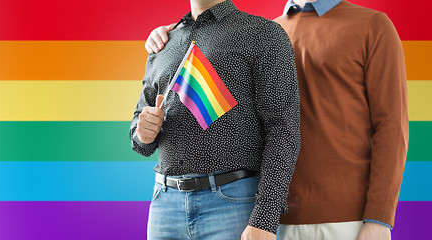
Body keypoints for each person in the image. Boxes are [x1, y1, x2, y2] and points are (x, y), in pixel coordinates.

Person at [145, 0, 409, 239]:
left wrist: (379, 219)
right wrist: (178, 32)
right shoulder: (266, 31)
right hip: (268, 217)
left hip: (345, 219)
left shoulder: (372, 25)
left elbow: (392, 128)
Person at [131, 0, 301, 239]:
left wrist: (265, 218)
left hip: (234, 204)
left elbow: (284, 131)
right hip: (164, 205)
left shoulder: (264, 34)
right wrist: (143, 133)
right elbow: (139, 139)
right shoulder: (163, 42)